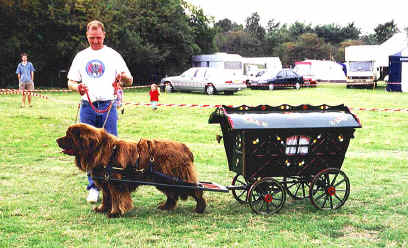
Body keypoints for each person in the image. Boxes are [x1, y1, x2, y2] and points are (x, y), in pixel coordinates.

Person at [67, 20, 133, 203]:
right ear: (87, 36)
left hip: (108, 106)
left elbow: (130, 80)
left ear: (104, 35)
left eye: (98, 37)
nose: (95, 41)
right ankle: (94, 187)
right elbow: (70, 82)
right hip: (88, 107)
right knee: (86, 149)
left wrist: (123, 78)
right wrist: (76, 87)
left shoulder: (113, 55)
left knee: (112, 149)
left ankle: (116, 187)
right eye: (91, 38)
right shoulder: (81, 56)